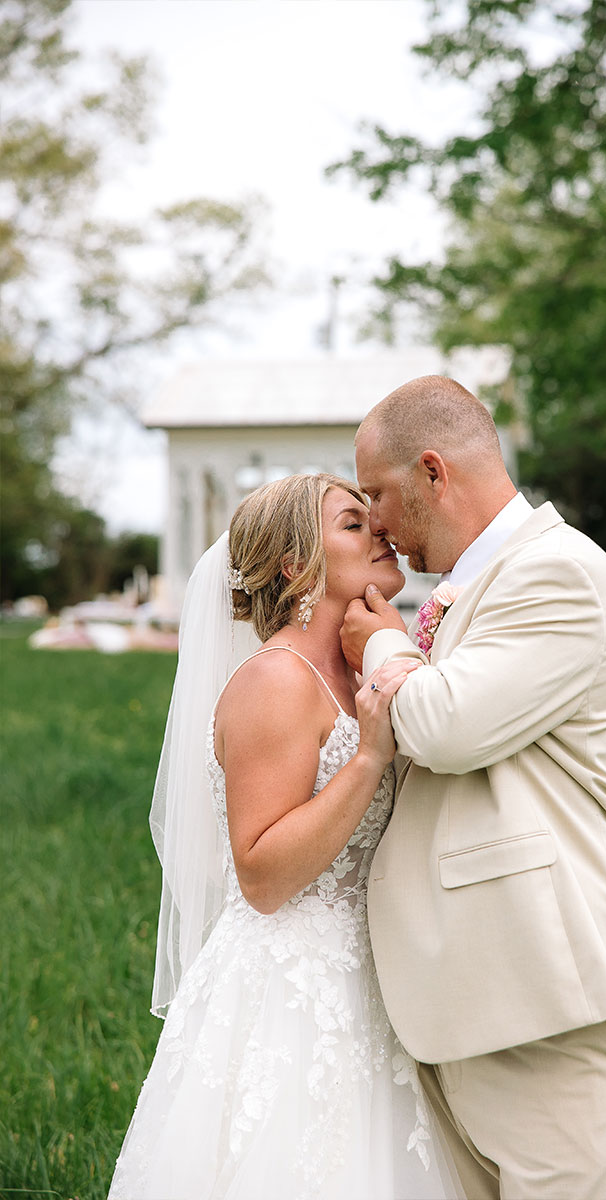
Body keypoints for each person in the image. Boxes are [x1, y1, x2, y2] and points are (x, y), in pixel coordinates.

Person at [340, 376, 606, 1200]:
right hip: (463, 1000)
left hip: (546, 999)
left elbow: (447, 725)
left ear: (433, 471)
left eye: (377, 493)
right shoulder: (472, 584)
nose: (374, 518)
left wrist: (383, 646)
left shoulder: (560, 571)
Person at [108, 473, 461, 1200]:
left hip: (384, 975)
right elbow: (262, 876)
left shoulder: (363, 663)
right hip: (293, 994)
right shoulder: (277, 680)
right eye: (353, 526)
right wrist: (368, 757)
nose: (382, 533)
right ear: (296, 566)